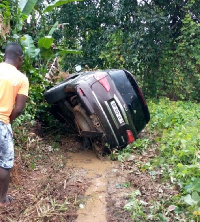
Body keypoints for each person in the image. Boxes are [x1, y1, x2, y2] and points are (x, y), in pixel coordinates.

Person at [0, 42, 29, 207]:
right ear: (20, 59)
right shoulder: (21, 79)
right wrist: (6, 120)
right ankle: (2, 200)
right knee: (4, 163)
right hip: (2, 122)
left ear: (4, 56)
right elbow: (19, 108)